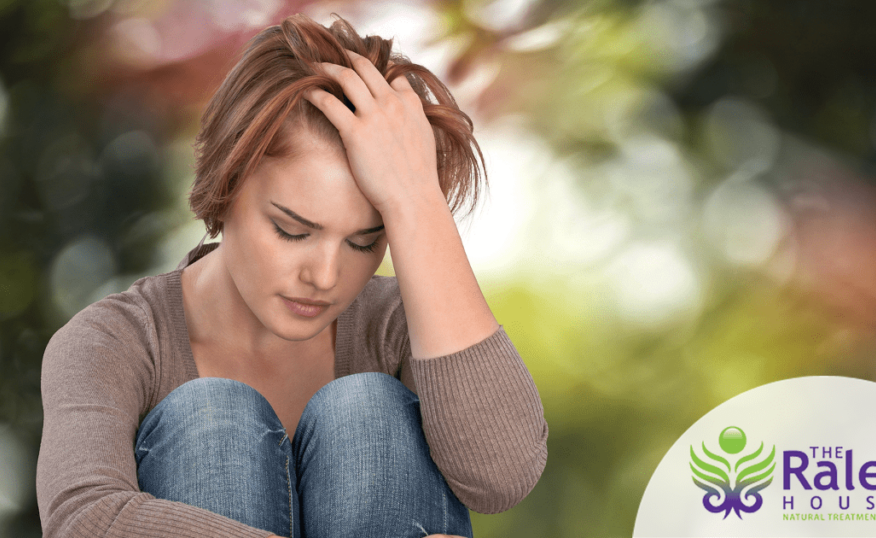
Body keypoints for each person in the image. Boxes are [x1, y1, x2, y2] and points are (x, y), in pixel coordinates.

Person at [36, 12, 548, 538]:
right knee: (212, 417)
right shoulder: (113, 342)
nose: (325, 276)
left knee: (365, 410)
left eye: (364, 240)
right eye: (292, 230)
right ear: (228, 182)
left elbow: (501, 479)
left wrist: (416, 198)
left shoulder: (399, 327)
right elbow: (84, 518)